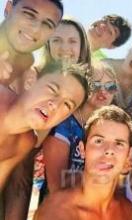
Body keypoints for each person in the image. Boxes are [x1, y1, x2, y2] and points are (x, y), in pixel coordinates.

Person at [2, 17, 92, 220]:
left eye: (72, 41)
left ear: (82, 47)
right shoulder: (30, 75)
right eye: (57, 40)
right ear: (48, 43)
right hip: (21, 166)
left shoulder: (81, 91)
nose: (64, 48)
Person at [34, 105, 132, 220]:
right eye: (99, 141)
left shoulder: (126, 209)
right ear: (82, 149)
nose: (108, 150)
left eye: (119, 144)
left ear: (129, 155)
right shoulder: (56, 211)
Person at [42, 61, 117, 195]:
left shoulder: (109, 128)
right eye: (95, 85)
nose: (103, 91)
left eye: (110, 86)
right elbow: (56, 185)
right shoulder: (63, 122)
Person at [0, 0, 63, 86]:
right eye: (29, 14)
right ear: (9, 9)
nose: (36, 29)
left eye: (47, 24)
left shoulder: (29, 66)